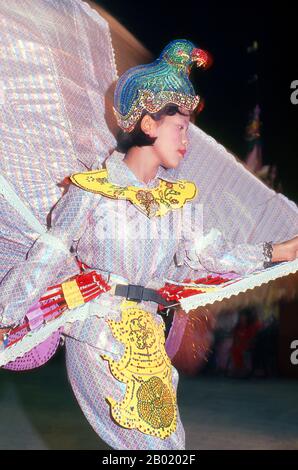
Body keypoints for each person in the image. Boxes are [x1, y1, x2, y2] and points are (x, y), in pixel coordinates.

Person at [0, 8, 298, 449]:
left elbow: (208, 254)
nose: (186, 139)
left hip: (149, 341)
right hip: (98, 333)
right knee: (154, 449)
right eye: (179, 127)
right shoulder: (92, 190)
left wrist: (279, 251)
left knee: (167, 447)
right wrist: (7, 313)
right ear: (146, 124)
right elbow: (47, 255)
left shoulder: (176, 201)